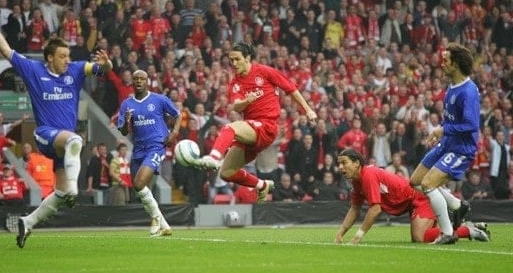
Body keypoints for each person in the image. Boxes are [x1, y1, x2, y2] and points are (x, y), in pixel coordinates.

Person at [0, 6, 113, 248]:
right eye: (62, 56)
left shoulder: (75, 70)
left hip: (64, 147)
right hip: (46, 135)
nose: (67, 60)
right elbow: (7, 50)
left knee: (60, 194)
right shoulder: (34, 70)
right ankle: (72, 188)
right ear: (49, 57)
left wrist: (107, 65)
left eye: (68, 56)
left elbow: (100, 69)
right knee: (75, 141)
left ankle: (27, 222)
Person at [192, 42, 318, 203]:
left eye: (237, 59)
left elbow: (291, 89)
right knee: (227, 173)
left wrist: (307, 110)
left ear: (247, 58)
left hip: (266, 127)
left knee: (229, 128)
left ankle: (213, 157)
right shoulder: (235, 82)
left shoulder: (264, 72)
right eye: (231, 60)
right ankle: (262, 184)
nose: (234, 63)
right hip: (251, 132)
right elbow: (236, 106)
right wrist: (245, 101)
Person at [334, 149, 490, 245]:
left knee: (419, 237)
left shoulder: (368, 175)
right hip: (410, 202)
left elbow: (375, 209)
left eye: (344, 163)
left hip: (420, 198)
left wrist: (358, 236)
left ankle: (468, 230)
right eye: (339, 164)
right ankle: (466, 226)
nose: (340, 167)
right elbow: (355, 208)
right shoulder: (356, 181)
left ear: (356, 163)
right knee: (428, 236)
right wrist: (340, 233)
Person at [409, 43, 480, 244]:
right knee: (415, 181)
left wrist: (443, 130)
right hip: (446, 144)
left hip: (461, 149)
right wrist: (441, 131)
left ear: (456, 64)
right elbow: (451, 119)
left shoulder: (468, 91)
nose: (441, 64)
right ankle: (458, 205)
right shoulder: (452, 87)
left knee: (428, 184)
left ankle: (448, 232)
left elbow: (471, 125)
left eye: (446, 60)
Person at [117, 69, 182, 236]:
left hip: (156, 146)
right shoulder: (126, 104)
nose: (139, 81)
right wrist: (127, 122)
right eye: (136, 79)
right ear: (132, 82)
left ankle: (155, 218)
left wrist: (173, 133)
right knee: (138, 188)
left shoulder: (159, 99)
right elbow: (123, 131)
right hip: (138, 149)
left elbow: (178, 114)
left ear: (148, 81)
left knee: (139, 183)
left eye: (142, 79)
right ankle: (165, 225)